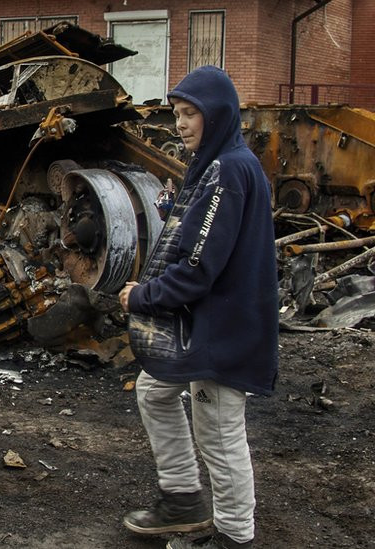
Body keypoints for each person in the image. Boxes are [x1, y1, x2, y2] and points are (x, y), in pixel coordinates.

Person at [118, 66, 278, 549]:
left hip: (225, 330)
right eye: (177, 114)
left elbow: (199, 267)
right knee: (154, 391)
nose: (181, 123)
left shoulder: (228, 170)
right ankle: (183, 500)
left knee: (220, 432)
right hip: (211, 323)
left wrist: (142, 297)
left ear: (219, 114)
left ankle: (234, 536)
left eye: (191, 114)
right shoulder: (216, 165)